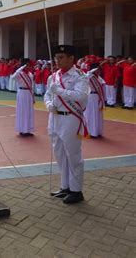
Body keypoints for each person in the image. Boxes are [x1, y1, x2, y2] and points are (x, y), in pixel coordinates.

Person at [45, 45, 89, 204]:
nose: (57, 60)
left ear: (71, 59)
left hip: (70, 118)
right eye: (56, 57)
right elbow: (47, 94)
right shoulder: (54, 76)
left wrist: (60, 91)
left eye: (61, 57)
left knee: (73, 155)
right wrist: (48, 104)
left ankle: (76, 190)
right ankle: (65, 186)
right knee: (59, 153)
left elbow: (81, 95)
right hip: (55, 117)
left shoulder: (80, 76)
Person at [11, 58, 35, 137]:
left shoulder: (30, 74)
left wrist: (33, 96)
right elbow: (13, 77)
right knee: (23, 111)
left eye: (28, 65)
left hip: (28, 93)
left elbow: (32, 86)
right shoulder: (20, 73)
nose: (28, 67)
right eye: (26, 65)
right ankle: (22, 130)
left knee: (29, 111)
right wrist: (21, 68)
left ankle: (28, 130)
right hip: (22, 92)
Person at [84, 63, 105, 138]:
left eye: (99, 69)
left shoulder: (99, 78)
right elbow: (85, 79)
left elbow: (103, 86)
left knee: (98, 115)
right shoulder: (89, 76)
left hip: (98, 97)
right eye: (97, 69)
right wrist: (89, 73)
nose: (98, 71)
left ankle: (98, 131)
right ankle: (92, 132)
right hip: (91, 96)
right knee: (92, 115)